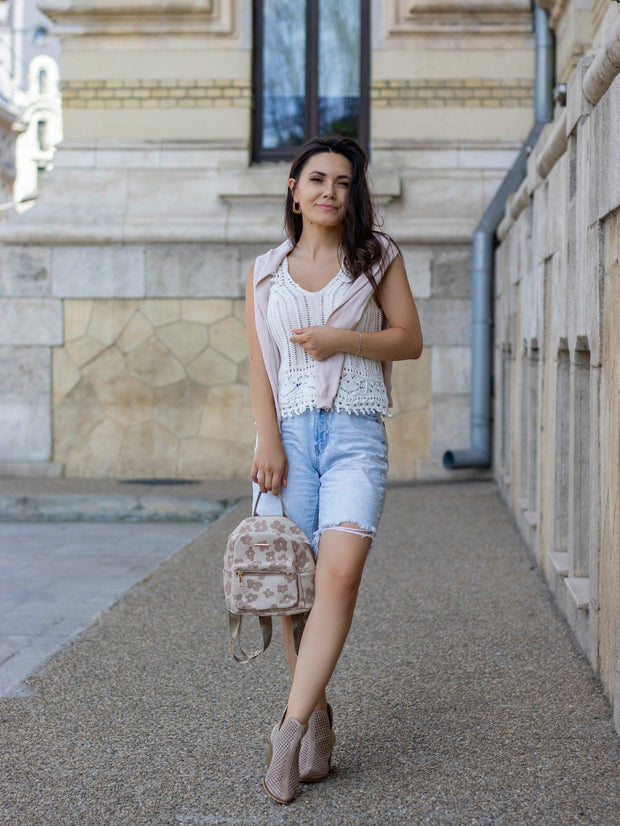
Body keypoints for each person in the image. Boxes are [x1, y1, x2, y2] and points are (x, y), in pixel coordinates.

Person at [245, 135, 423, 804]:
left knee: (339, 576)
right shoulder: (265, 271)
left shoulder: (377, 256)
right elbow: (261, 367)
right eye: (317, 179)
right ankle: (316, 713)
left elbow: (408, 339)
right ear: (294, 190)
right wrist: (268, 442)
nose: (330, 191)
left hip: (355, 435)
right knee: (296, 592)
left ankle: (287, 730)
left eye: (343, 182)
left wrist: (342, 340)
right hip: (289, 442)